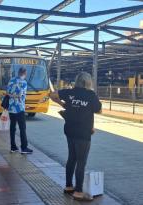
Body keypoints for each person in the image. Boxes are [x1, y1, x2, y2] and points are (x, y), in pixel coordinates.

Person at [49, 72, 102, 201]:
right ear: (88, 82)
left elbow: (52, 95)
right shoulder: (91, 95)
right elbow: (99, 110)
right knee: (81, 161)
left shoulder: (69, 92)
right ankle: (78, 192)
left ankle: (68, 186)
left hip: (70, 130)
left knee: (72, 158)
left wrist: (63, 104)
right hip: (83, 133)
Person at [7, 67, 33, 154]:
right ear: (24, 73)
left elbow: (7, 93)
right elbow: (22, 95)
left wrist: (12, 96)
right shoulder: (24, 82)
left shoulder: (11, 80)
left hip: (11, 108)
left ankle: (13, 147)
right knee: (22, 128)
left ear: (18, 73)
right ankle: (24, 148)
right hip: (20, 108)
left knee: (12, 127)